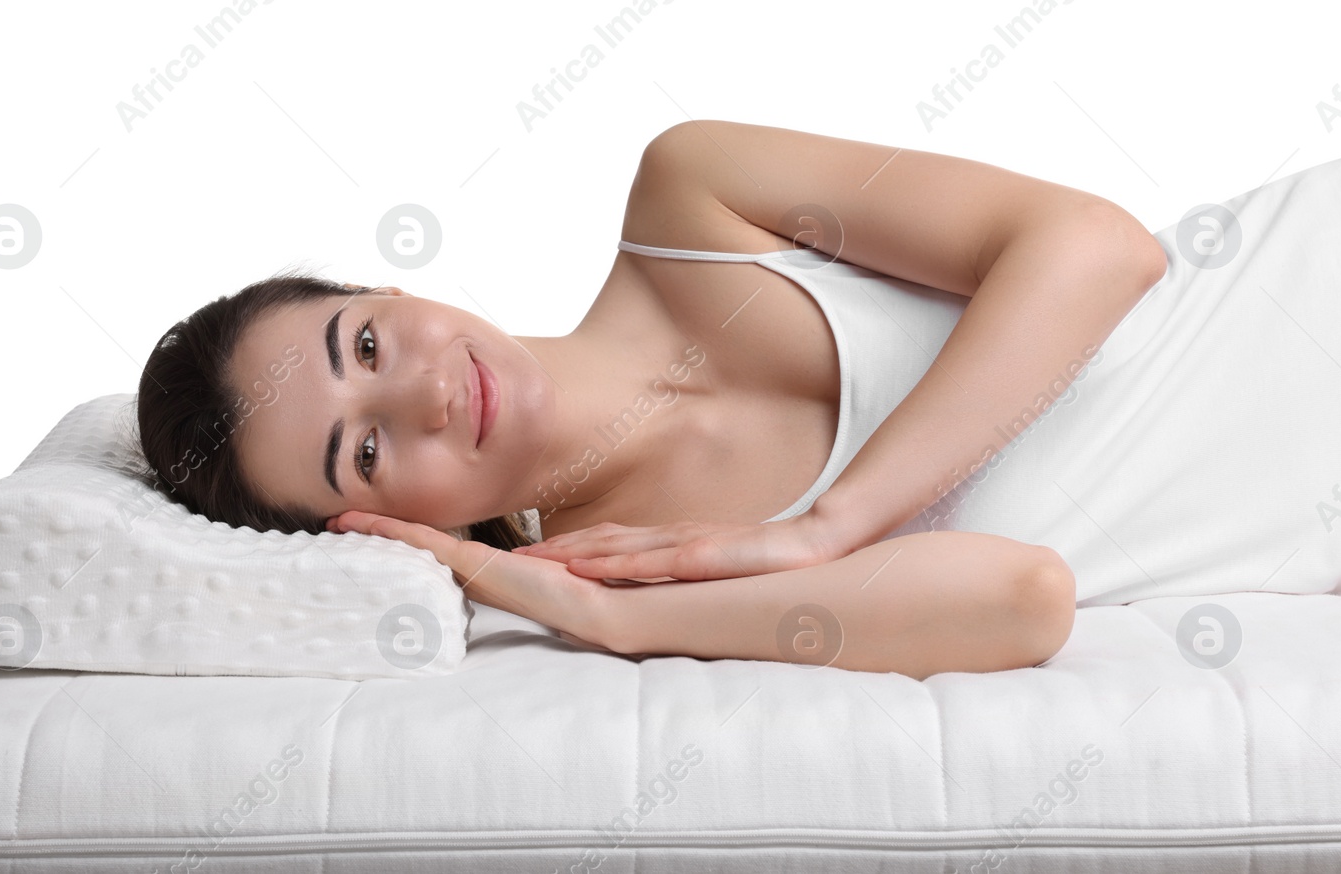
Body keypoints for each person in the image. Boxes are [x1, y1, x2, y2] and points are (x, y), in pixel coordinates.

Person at [137, 120, 1174, 679]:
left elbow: (1099, 247)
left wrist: (827, 528)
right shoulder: (632, 577)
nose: (425, 393)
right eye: (363, 453)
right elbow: (1022, 599)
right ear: (381, 531)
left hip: (1319, 283)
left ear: (393, 289)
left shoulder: (693, 193)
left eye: (365, 342)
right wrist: (603, 619)